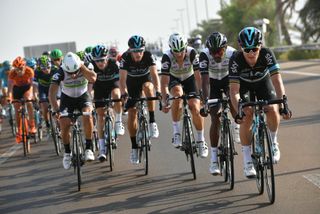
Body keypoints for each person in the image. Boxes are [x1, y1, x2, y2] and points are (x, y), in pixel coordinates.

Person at [229, 27, 292, 178]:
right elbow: (234, 91)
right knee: (247, 114)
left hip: (263, 82)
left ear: (260, 46)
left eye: (255, 49)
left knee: (271, 107)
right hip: (243, 87)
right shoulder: (235, 59)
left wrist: (284, 103)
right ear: (241, 47)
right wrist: (239, 109)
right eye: (247, 49)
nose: (251, 53)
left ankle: (273, 142)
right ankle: (247, 161)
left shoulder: (267, 54)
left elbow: (277, 80)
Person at [160, 33, 208, 158]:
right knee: (177, 95)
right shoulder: (166, 57)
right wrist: (164, 101)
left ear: (185, 47)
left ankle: (201, 140)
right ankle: (176, 132)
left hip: (190, 78)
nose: (179, 54)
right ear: (171, 49)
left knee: (195, 107)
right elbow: (164, 83)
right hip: (174, 78)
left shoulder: (192, 53)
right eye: (176, 51)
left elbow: (198, 77)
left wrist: (201, 95)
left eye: (182, 50)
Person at [200, 32, 240, 175]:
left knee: (233, 98)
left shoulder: (233, 54)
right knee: (215, 118)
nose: (216, 55)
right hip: (212, 84)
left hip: (228, 80)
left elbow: (238, 78)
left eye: (219, 51)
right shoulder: (204, 55)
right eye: (213, 52)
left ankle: (236, 126)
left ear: (225, 48)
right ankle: (214, 159)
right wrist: (205, 102)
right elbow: (204, 82)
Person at [49, 52, 97, 169]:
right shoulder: (59, 72)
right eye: (70, 73)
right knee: (64, 123)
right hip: (67, 99)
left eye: (75, 72)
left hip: (83, 96)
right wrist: (56, 110)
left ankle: (88, 148)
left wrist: (82, 69)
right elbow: (52, 94)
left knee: (87, 115)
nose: (74, 75)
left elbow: (93, 78)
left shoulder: (84, 66)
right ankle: (67, 153)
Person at [119, 35, 161, 164]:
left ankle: (152, 122)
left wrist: (158, 90)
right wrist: (123, 93)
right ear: (130, 50)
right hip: (132, 84)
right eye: (135, 51)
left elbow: (154, 75)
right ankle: (134, 148)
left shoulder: (148, 56)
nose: (138, 54)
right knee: (132, 114)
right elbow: (122, 80)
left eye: (140, 51)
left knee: (149, 88)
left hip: (145, 80)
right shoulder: (125, 58)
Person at [90, 44, 125, 162]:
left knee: (116, 95)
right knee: (100, 116)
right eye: (97, 60)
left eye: (102, 60)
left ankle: (118, 121)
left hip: (112, 85)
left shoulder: (114, 64)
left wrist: (124, 94)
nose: (100, 63)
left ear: (107, 58)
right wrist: (89, 98)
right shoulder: (92, 67)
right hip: (99, 88)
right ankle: (102, 148)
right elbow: (90, 85)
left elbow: (121, 81)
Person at [8, 57, 36, 143]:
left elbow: (32, 85)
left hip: (27, 88)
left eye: (20, 69)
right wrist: (9, 97)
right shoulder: (12, 73)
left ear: (24, 67)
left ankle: (32, 126)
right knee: (16, 108)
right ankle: (19, 131)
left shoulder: (29, 71)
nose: (19, 71)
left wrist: (32, 96)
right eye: (17, 69)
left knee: (29, 101)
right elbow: (10, 88)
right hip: (17, 89)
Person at [33, 55, 54, 131]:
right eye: (43, 68)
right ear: (39, 67)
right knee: (45, 107)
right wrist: (35, 95)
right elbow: (35, 85)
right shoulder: (37, 71)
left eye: (48, 67)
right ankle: (47, 123)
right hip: (42, 89)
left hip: (53, 87)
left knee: (57, 105)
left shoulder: (55, 69)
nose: (46, 70)